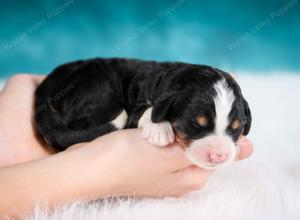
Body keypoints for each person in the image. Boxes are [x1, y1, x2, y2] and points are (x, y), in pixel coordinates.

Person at [0, 74, 253, 219]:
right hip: (89, 84)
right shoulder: (156, 100)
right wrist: (103, 167)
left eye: (233, 130)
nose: (219, 149)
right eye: (196, 126)